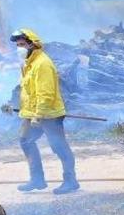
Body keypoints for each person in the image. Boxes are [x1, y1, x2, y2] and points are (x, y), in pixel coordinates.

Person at [5, 28, 80, 194]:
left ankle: (71, 181)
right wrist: (13, 105)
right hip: (32, 114)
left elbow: (45, 94)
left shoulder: (42, 64)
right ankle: (37, 179)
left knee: (58, 146)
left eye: (22, 44)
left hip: (49, 114)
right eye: (17, 45)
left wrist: (39, 115)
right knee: (26, 141)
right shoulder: (28, 64)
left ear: (33, 45)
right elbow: (27, 91)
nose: (19, 48)